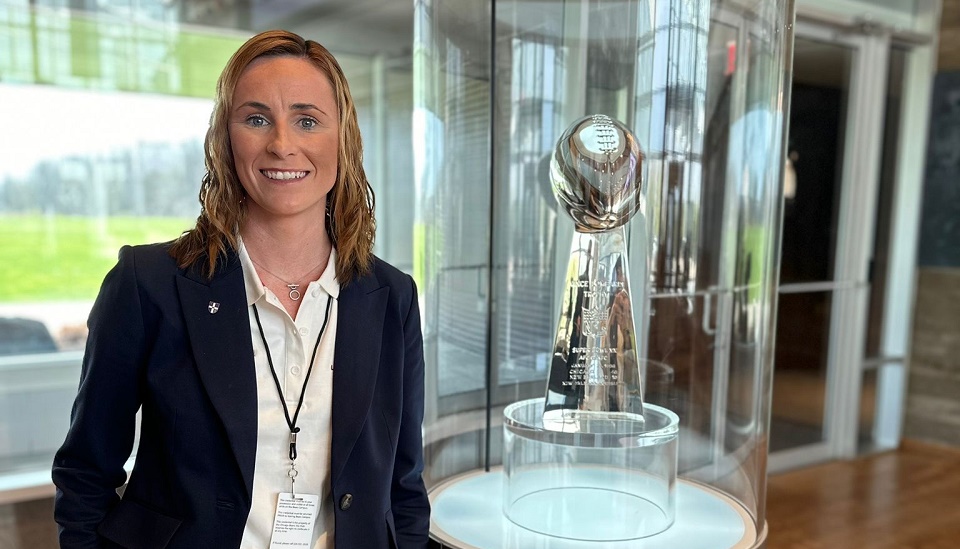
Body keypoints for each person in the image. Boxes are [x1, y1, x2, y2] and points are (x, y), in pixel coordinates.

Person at [52, 30, 430, 549]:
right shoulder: (147, 285)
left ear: (342, 138)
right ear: (225, 138)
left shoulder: (392, 297)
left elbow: (404, 489)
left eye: (307, 119)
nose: (281, 143)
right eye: (256, 118)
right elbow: (85, 474)